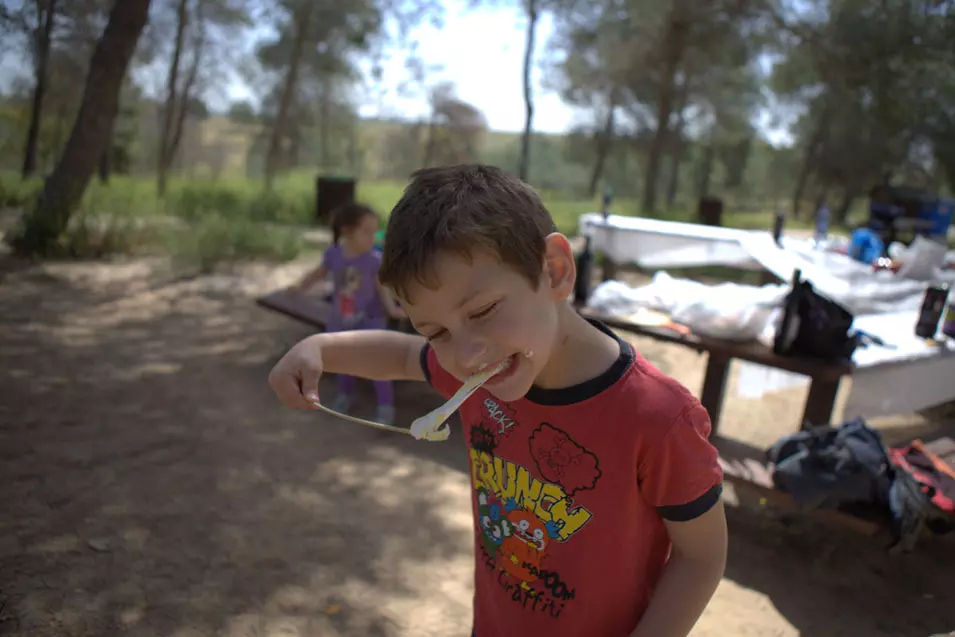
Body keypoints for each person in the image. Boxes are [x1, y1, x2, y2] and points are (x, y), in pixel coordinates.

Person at [270, 165, 727, 637]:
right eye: (439, 332)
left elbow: (700, 556)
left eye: (483, 311)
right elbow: (405, 354)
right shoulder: (481, 379)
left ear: (554, 269)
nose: (467, 355)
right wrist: (319, 349)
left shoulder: (658, 418)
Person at [289, 201, 405, 425]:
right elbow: (317, 273)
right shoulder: (334, 254)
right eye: (367, 232)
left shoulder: (373, 259)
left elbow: (382, 287)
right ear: (347, 232)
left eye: (376, 232)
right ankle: (345, 395)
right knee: (342, 362)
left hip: (371, 321)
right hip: (341, 320)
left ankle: (385, 407)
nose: (374, 238)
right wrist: (298, 287)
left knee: (379, 364)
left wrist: (392, 309)